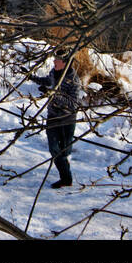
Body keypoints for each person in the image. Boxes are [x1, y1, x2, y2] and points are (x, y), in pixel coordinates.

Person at [33, 52, 81, 189]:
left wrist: (52, 95)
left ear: (65, 63)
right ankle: (66, 178)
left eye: (57, 60)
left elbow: (73, 104)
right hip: (52, 116)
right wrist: (30, 76)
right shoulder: (54, 73)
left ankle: (65, 169)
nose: (54, 61)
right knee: (54, 148)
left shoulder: (74, 80)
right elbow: (47, 81)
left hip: (66, 119)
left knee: (64, 151)